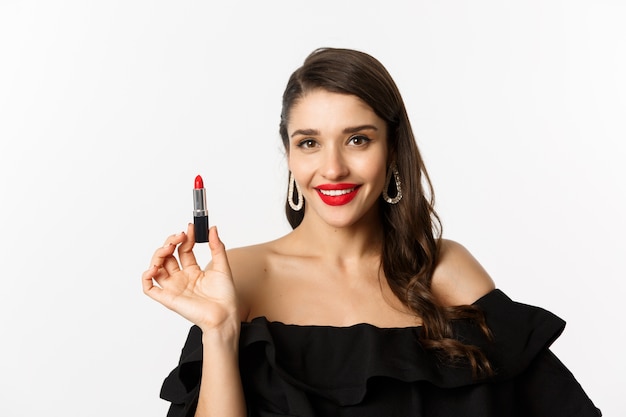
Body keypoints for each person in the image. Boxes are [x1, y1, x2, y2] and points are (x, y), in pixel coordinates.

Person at [142, 48, 601, 417]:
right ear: (289, 155)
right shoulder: (239, 277)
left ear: (392, 149)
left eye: (358, 139)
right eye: (309, 143)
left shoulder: (445, 270)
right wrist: (219, 330)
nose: (333, 168)